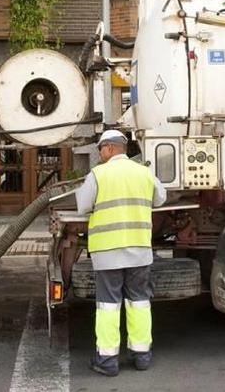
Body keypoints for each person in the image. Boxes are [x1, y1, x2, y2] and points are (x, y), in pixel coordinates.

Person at [76, 130, 167, 377]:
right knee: (139, 301)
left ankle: (107, 361)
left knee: (108, 305)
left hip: (107, 251)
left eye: (100, 150)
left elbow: (83, 206)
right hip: (138, 249)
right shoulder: (144, 172)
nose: (100, 155)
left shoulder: (98, 174)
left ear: (108, 148)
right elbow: (160, 199)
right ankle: (141, 356)